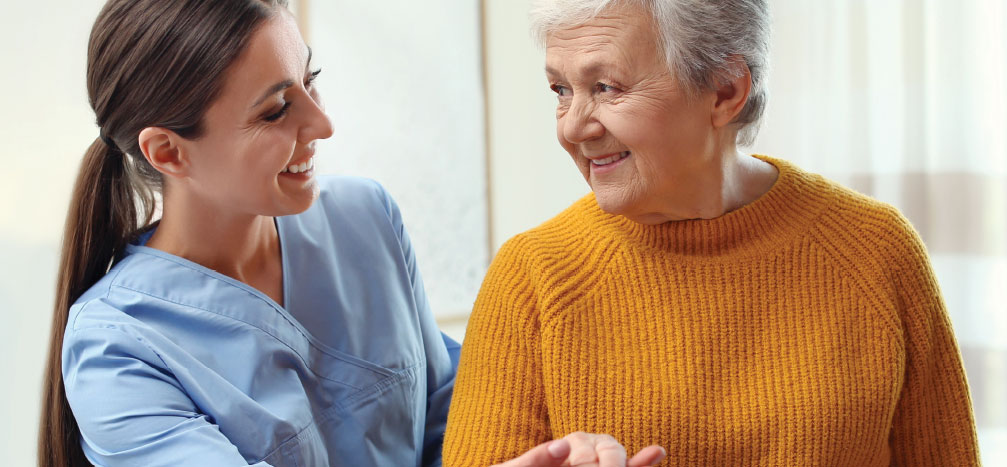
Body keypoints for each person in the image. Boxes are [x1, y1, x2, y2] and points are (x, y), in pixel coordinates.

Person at [37, 1, 665, 465]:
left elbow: (454, 419)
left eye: (310, 81)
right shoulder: (119, 350)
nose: (323, 123)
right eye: (276, 109)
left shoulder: (365, 220)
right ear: (169, 153)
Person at [444, 0, 981, 465]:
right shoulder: (533, 275)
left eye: (605, 87)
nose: (571, 125)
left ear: (725, 91)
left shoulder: (875, 250)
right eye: (561, 89)